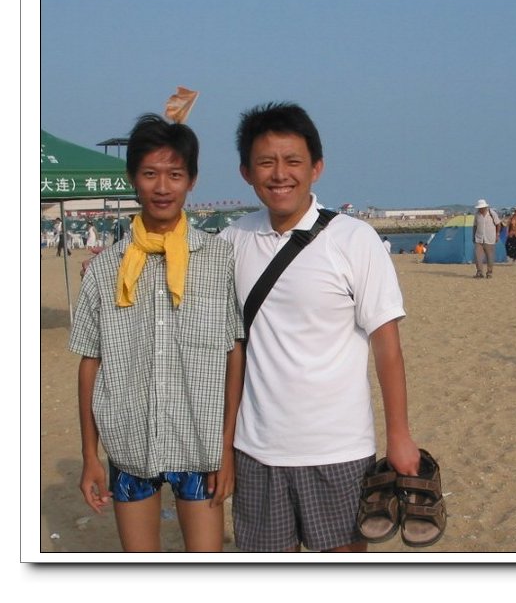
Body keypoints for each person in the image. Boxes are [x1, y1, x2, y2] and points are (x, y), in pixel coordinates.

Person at [219, 102, 420, 553]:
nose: (280, 174)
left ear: (316, 168)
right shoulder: (233, 239)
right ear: (246, 172)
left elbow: (387, 346)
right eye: (265, 163)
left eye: (292, 161)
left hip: (339, 451)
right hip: (257, 451)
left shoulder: (353, 239)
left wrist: (399, 436)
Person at [69, 113, 245, 552]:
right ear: (133, 178)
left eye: (174, 174)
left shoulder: (219, 260)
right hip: (129, 442)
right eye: (150, 174)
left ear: (192, 180)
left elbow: (233, 353)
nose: (162, 187)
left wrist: (226, 449)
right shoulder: (106, 269)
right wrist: (90, 456)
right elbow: (90, 362)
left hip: (200, 444)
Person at [472, 198, 501, 278]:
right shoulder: (477, 215)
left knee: (490, 256)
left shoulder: (492, 213)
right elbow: (475, 226)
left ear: (485, 207)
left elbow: (498, 224)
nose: (480, 209)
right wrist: (473, 236)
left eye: (481, 208)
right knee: (477, 256)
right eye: (479, 208)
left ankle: (489, 272)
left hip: (490, 238)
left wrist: (497, 234)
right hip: (479, 238)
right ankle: (479, 272)